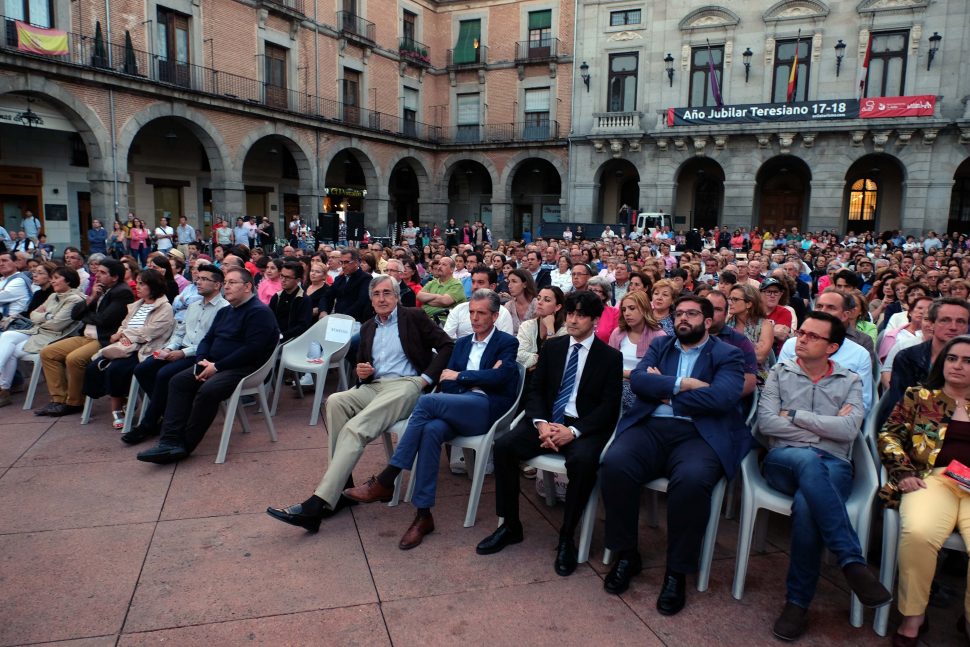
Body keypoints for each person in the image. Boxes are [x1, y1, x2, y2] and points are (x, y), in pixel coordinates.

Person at [266, 275, 455, 531]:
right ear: (371, 299)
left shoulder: (413, 317)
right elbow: (363, 368)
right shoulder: (368, 327)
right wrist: (363, 371)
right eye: (376, 294)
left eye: (387, 293)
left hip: (408, 385)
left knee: (357, 429)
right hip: (376, 386)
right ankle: (342, 489)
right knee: (335, 401)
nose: (382, 299)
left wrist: (425, 379)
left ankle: (317, 503)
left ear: (397, 297)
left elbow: (446, 345)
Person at [599, 295, 748, 612]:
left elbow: (721, 398)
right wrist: (685, 383)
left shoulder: (728, 354)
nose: (683, 318)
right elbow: (639, 382)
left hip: (699, 434)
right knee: (614, 464)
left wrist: (667, 394)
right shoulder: (662, 345)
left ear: (707, 322)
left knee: (692, 481)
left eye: (692, 314)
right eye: (679, 313)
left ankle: (676, 571)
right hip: (651, 428)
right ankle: (627, 555)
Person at [342, 290, 519, 549]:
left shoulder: (506, 342)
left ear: (495, 315)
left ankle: (388, 478)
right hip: (456, 407)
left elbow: (501, 379)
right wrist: (475, 377)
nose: (475, 318)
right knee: (431, 430)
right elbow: (446, 384)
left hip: (485, 410)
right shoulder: (461, 343)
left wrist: (461, 377)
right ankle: (423, 516)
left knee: (426, 402)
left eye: (481, 313)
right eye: (471, 312)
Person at [758, 311, 891, 640]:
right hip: (783, 461)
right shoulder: (780, 372)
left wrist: (795, 416)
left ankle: (797, 603)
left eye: (811, 336)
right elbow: (767, 424)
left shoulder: (850, 380)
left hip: (834, 464)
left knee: (807, 504)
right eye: (801, 332)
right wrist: (822, 431)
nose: (800, 339)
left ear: (831, 347)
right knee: (807, 462)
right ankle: (851, 561)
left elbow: (849, 430)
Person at [477, 290, 623, 575]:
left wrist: (573, 431)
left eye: (581, 315)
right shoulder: (554, 348)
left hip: (581, 427)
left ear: (595, 320)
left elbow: (608, 408)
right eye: (570, 313)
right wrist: (541, 423)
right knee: (505, 446)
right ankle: (510, 525)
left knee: (582, 462)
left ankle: (567, 536)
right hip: (547, 422)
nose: (573, 320)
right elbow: (537, 390)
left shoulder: (609, 357)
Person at [879, 335, 970, 646]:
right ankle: (914, 614)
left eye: (968, 360)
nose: (958, 365)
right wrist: (902, 471)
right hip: (930, 478)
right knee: (918, 532)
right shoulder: (920, 396)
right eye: (953, 358)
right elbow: (889, 435)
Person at [136, 267, 279, 463]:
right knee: (178, 381)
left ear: (247, 287)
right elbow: (207, 339)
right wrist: (202, 360)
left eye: (232, 283)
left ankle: (184, 445)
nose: (226, 287)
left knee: (208, 391)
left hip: (244, 368)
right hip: (214, 363)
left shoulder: (259, 312)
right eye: (226, 282)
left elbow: (251, 350)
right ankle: (168, 441)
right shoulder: (226, 311)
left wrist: (217, 366)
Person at [122, 265, 228, 445]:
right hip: (180, 350)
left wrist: (182, 353)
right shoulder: (194, 306)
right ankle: (166, 411)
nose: (198, 282)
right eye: (198, 278)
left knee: (165, 375)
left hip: (200, 355)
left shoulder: (224, 309)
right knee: (142, 369)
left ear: (217, 285)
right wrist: (170, 349)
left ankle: (148, 424)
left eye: (204, 279)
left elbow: (211, 343)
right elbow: (179, 332)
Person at [36, 259, 134, 416]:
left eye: (102, 272)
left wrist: (86, 315)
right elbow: (76, 314)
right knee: (48, 352)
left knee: (74, 359)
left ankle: (74, 402)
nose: (97, 275)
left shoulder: (122, 292)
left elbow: (103, 320)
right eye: (97, 272)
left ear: (114, 277)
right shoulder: (100, 289)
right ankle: (59, 399)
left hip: (103, 339)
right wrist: (92, 297)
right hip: (86, 336)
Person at [81, 269, 175, 430]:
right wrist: (119, 334)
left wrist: (124, 335)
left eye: (142, 284)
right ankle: (123, 400)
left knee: (116, 369)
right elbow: (124, 324)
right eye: (137, 283)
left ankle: (117, 409)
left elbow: (150, 332)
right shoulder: (136, 305)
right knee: (93, 367)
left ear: (153, 286)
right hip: (123, 346)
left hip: (144, 349)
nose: (137, 287)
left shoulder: (164, 307)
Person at [0, 267, 84, 407]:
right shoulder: (52, 296)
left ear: (68, 281)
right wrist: (48, 316)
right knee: (8, 335)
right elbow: (33, 315)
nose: (53, 281)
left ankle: (4, 390)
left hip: (54, 337)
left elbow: (57, 325)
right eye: (52, 277)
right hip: (38, 332)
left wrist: (43, 316)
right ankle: (3, 390)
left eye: (56, 278)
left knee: (12, 350)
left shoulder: (75, 299)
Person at [609, 290, 666, 410]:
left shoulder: (659, 336)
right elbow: (608, 366)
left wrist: (625, 374)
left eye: (632, 308)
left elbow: (657, 373)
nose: (627, 313)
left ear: (644, 309)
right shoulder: (617, 333)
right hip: (616, 388)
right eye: (624, 310)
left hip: (644, 391)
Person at [443, 266, 514, 339]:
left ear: (492, 286)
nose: (475, 287)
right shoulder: (459, 309)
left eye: (480, 282)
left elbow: (505, 343)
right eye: (473, 282)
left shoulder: (503, 313)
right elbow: (445, 339)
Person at [320, 248, 373, 323]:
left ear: (357, 262)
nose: (343, 266)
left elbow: (361, 302)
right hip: (338, 320)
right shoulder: (339, 279)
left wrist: (342, 317)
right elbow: (326, 296)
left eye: (347, 262)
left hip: (356, 321)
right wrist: (323, 310)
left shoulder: (365, 278)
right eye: (342, 262)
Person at [417, 256, 465, 322]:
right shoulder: (433, 282)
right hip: (426, 320)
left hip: (444, 322)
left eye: (444, 264)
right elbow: (419, 296)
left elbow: (445, 301)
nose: (439, 267)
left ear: (452, 269)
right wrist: (438, 297)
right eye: (439, 264)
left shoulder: (456, 284)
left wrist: (426, 301)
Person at [503, 268, 538, 335]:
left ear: (525, 284)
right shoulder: (509, 305)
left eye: (514, 281)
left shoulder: (537, 304)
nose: (509, 286)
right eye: (509, 281)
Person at [0, 251, 33, 318]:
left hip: (12, 323)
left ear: (16, 263)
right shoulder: (2, 279)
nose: (1, 264)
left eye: (4, 261)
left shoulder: (19, 280)